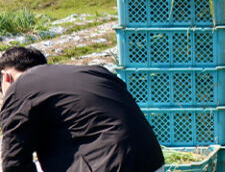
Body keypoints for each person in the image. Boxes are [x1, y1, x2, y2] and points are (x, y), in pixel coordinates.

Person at [0, 47, 164, 172]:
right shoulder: (94, 71)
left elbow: (14, 160)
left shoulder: (20, 87)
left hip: (108, 165)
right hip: (152, 161)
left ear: (5, 76)